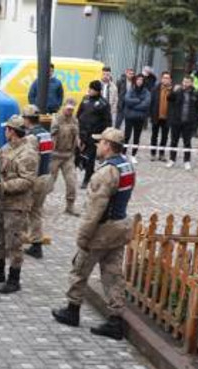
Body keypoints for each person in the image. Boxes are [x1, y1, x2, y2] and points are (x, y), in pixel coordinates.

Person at [52, 127, 135, 341]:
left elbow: (94, 210)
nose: (97, 145)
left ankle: (72, 310)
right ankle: (115, 320)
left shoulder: (106, 171)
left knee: (80, 268)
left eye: (100, 142)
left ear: (108, 145)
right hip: (120, 226)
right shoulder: (127, 166)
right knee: (112, 273)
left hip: (103, 230)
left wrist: (83, 237)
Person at [0, 115, 37, 294]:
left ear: (12, 131)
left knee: (14, 242)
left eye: (7, 129)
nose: (5, 132)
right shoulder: (5, 148)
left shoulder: (28, 153)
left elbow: (27, 180)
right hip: (0, 202)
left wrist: (4, 186)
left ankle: (14, 278)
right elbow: (0, 167)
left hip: (16, 205)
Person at [21, 105, 53, 260]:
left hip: (35, 179)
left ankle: (13, 243)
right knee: (36, 212)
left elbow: (30, 161)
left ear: (27, 119)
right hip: (46, 176)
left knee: (21, 210)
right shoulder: (46, 134)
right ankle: (36, 245)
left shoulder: (32, 137)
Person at [77, 80, 112, 189]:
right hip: (82, 133)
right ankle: (82, 171)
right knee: (79, 156)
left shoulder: (103, 103)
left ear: (97, 91)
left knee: (90, 158)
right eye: (89, 88)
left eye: (92, 89)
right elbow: (79, 114)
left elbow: (108, 121)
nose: (90, 90)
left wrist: (104, 136)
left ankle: (87, 179)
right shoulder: (85, 99)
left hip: (94, 135)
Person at [50, 98, 80, 215]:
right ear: (63, 107)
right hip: (55, 155)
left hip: (68, 156)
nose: (70, 111)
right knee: (49, 183)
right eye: (68, 109)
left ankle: (70, 206)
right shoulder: (56, 118)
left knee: (71, 182)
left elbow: (77, 135)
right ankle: (38, 204)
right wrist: (66, 128)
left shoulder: (74, 120)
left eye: (72, 110)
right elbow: (53, 131)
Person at [167, 76, 198, 171]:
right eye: (184, 81)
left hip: (188, 122)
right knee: (174, 141)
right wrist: (173, 90)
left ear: (191, 83)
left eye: (188, 82)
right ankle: (172, 159)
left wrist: (194, 119)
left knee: (187, 143)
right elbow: (169, 98)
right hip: (176, 121)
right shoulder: (178, 91)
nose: (185, 83)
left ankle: (187, 161)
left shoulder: (195, 93)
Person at [122, 74, 151, 162]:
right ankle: (123, 153)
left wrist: (133, 105)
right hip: (129, 117)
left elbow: (146, 104)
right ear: (135, 80)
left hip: (139, 118)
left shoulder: (146, 92)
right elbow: (127, 100)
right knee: (126, 136)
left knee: (136, 137)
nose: (139, 81)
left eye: (141, 80)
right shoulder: (131, 89)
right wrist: (138, 101)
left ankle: (133, 155)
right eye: (138, 79)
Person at [149, 71, 173, 162]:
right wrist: (151, 115)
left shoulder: (173, 90)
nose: (166, 80)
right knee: (154, 136)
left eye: (167, 78)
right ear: (161, 79)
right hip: (156, 116)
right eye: (164, 78)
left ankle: (161, 154)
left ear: (170, 80)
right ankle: (153, 154)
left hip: (167, 117)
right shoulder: (155, 89)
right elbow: (151, 103)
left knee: (164, 137)